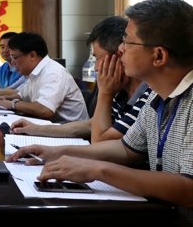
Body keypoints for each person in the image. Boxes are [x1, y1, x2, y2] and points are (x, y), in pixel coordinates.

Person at [8, 0, 193, 220]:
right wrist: (55, 152)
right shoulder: (157, 95)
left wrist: (96, 170)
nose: (121, 49)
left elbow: (189, 190)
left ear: (159, 56)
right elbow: (125, 149)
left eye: (128, 42)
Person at [10, 17, 150, 141]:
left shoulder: (147, 98)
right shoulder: (120, 92)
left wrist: (105, 93)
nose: (96, 67)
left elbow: (100, 142)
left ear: (120, 55)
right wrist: (36, 129)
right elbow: (91, 125)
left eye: (98, 58)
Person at [0, 32, 88, 123]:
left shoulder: (53, 72)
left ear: (32, 55)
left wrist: (12, 104)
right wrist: (4, 98)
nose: (13, 62)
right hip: (51, 127)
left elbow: (45, 110)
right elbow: (22, 96)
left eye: (15, 57)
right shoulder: (34, 72)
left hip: (70, 132)